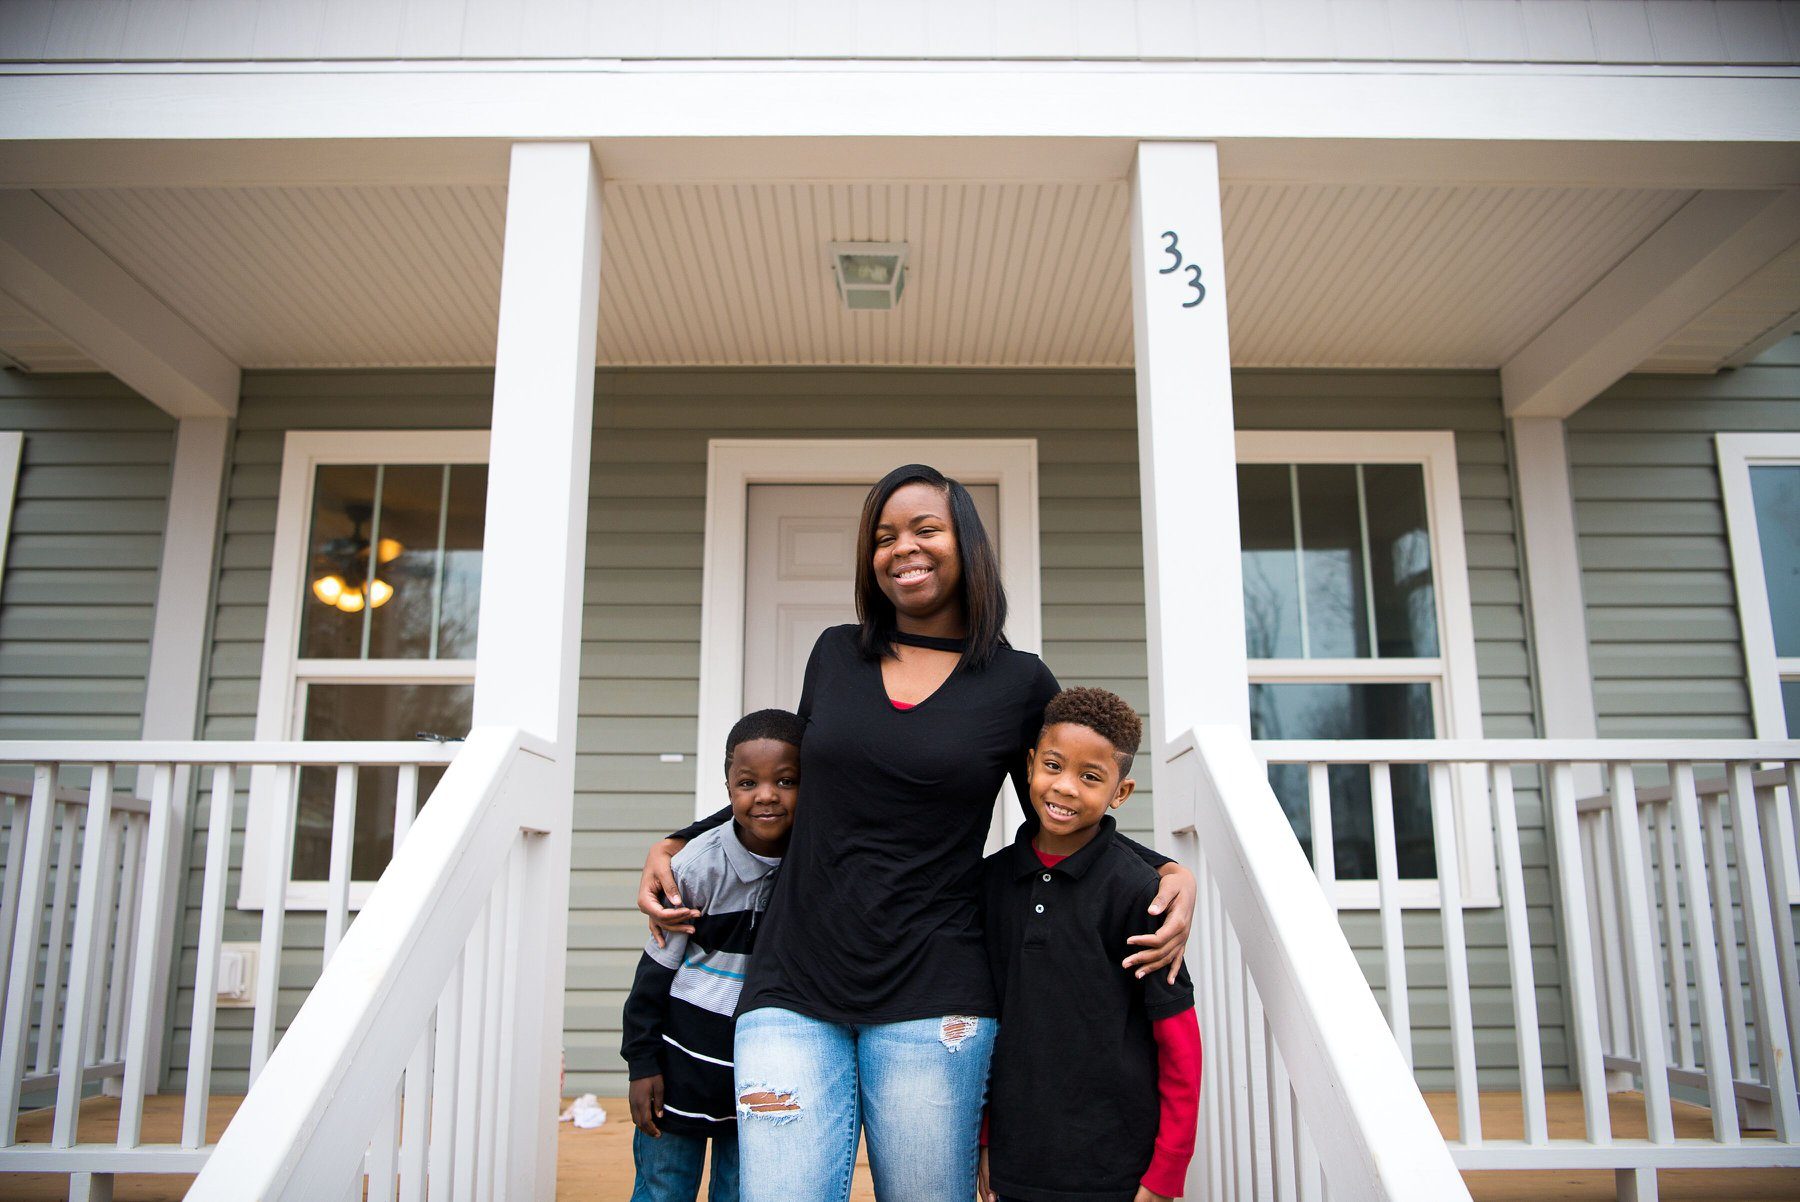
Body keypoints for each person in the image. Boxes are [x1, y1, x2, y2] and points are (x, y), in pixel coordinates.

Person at [637, 463, 1196, 1202]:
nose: (904, 547)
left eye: (925, 528)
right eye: (884, 535)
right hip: (795, 979)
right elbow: (808, 793)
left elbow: (1061, 813)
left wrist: (1163, 869)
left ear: (965, 543)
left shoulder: (1018, 680)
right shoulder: (837, 653)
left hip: (937, 990)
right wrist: (680, 842)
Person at [978, 687, 1201, 1202]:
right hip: (1016, 1161)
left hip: (1114, 1169)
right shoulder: (991, 884)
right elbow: (990, 1022)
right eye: (1053, 766)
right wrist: (986, 1137)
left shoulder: (1140, 893)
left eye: (1091, 777)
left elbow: (1179, 1043)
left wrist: (1167, 1170)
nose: (1066, 788)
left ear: (1120, 793)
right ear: (1031, 763)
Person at [620, 709, 804, 1202]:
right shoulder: (694, 869)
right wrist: (642, 1064)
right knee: (662, 1190)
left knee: (743, 1192)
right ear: (727, 789)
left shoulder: (814, 861)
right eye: (748, 783)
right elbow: (652, 975)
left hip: (759, 1077)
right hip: (679, 1069)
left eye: (786, 781)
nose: (766, 795)